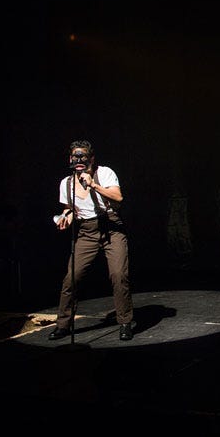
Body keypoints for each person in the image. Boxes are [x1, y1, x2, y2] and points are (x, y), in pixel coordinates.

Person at [49, 140, 136, 341]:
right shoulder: (66, 183)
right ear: (70, 159)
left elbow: (118, 197)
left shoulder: (104, 173)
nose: (78, 160)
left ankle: (124, 322)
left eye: (83, 157)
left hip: (110, 227)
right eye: (75, 157)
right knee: (71, 277)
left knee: (118, 274)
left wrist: (94, 185)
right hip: (86, 232)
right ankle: (63, 325)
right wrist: (66, 218)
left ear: (91, 158)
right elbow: (70, 208)